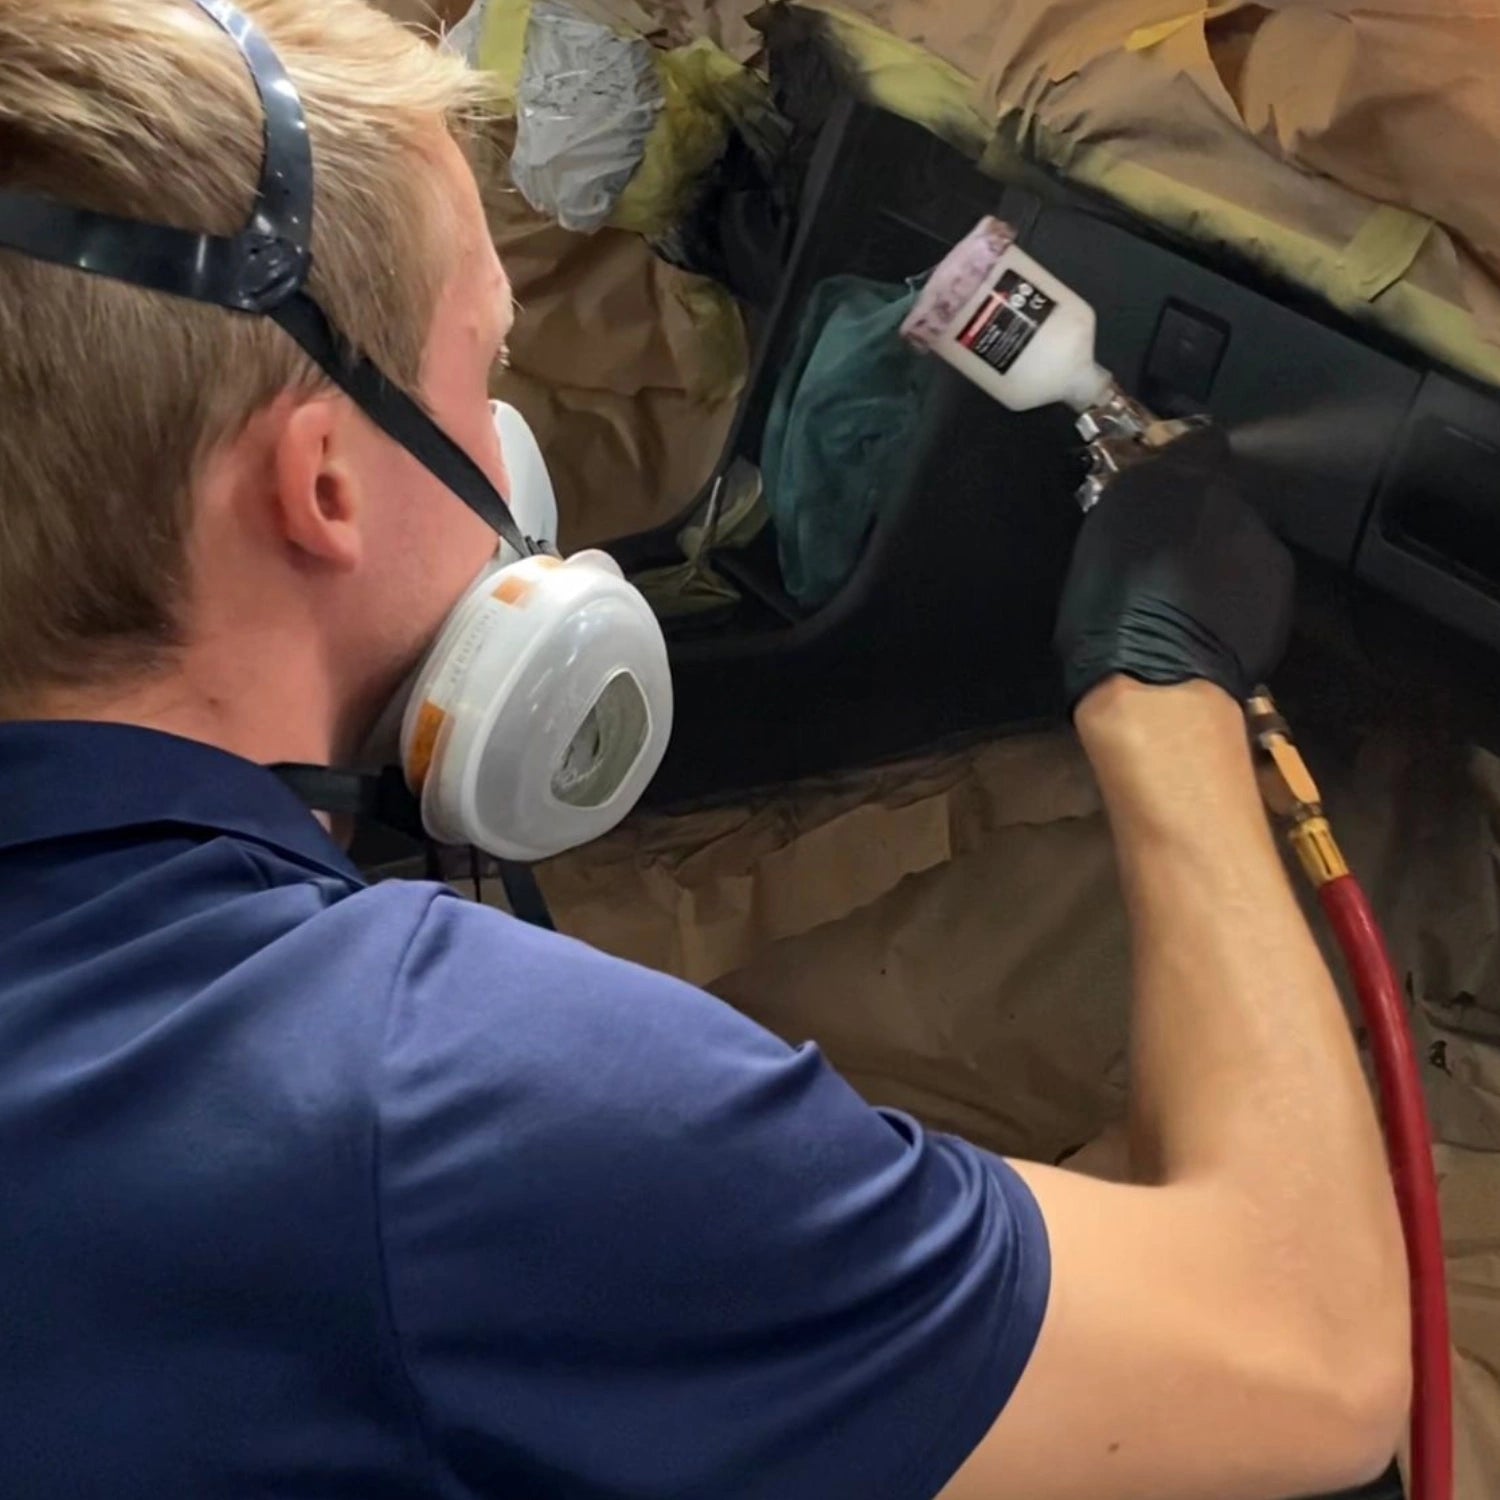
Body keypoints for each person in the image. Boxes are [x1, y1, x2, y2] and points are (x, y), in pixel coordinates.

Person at [0, 3, 1408, 1498]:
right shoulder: (428, 1102)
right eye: (482, 371)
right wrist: (1162, 696)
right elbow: (1310, 1358)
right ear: (324, 484)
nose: (501, 441)